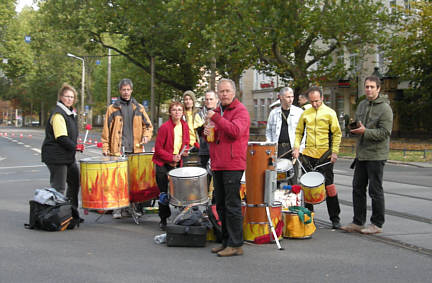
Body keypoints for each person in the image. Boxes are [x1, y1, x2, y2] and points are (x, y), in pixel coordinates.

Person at [341, 76, 393, 234]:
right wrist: (354, 128)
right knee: (357, 188)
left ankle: (377, 224)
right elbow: (359, 123)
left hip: (376, 155)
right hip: (362, 153)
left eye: (372, 87)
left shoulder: (385, 108)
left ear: (378, 89)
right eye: (367, 87)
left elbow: (385, 133)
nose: (369, 89)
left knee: (375, 190)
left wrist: (365, 131)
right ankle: (358, 221)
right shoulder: (362, 105)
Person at [205, 78, 250, 257]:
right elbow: (216, 135)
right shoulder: (218, 111)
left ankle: (236, 243)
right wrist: (206, 132)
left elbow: (234, 131)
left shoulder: (241, 111)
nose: (223, 94)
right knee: (221, 205)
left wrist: (216, 118)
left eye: (226, 91)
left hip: (232, 163)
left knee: (232, 205)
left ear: (234, 92)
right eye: (221, 91)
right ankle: (225, 241)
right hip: (218, 163)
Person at [101, 78, 153, 219]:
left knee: (133, 182)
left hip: (135, 151)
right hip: (118, 150)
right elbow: (106, 130)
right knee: (118, 181)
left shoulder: (139, 108)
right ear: (120, 91)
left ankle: (131, 208)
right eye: (123, 89)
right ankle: (118, 208)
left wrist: (146, 137)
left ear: (131, 90)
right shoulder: (112, 109)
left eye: (128, 89)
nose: (126, 92)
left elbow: (148, 126)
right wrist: (105, 147)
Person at [293, 86, 342, 229]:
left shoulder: (330, 113)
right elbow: (298, 132)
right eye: (312, 101)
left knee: (329, 186)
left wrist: (334, 152)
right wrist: (296, 148)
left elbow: (337, 134)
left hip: (325, 155)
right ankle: (309, 218)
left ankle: (335, 218)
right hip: (308, 155)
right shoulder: (305, 113)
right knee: (307, 187)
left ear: (322, 98)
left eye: (317, 101)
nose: (315, 104)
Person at [41, 83, 83, 222]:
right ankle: (58, 218)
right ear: (61, 97)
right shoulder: (58, 114)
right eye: (67, 96)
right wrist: (76, 146)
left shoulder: (69, 113)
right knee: (59, 188)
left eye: (72, 97)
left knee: (75, 182)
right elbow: (61, 137)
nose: (70, 99)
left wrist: (75, 144)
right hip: (56, 157)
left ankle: (72, 214)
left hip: (67, 157)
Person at [152, 102, 190, 230]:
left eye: (179, 110)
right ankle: (163, 219)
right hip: (163, 162)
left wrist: (185, 151)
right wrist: (170, 158)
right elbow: (158, 149)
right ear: (170, 112)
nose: (177, 112)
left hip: (177, 161)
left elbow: (186, 142)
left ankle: (181, 216)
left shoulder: (185, 126)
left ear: (183, 112)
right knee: (163, 192)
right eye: (174, 110)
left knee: (180, 191)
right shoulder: (164, 127)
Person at [266, 87, 303, 185]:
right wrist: (271, 146)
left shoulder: (299, 112)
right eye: (288, 97)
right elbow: (268, 131)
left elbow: (304, 132)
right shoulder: (274, 113)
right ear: (281, 97)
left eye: (292, 97)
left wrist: (298, 149)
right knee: (276, 177)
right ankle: (276, 198)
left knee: (292, 178)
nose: (291, 99)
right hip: (277, 149)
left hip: (292, 149)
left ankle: (292, 198)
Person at [197, 90, 219, 196]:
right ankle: (205, 203)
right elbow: (197, 130)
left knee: (216, 179)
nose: (208, 101)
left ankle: (214, 203)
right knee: (204, 178)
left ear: (216, 100)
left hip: (218, 150)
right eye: (206, 99)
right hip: (204, 150)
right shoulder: (200, 114)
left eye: (211, 99)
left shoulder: (220, 112)